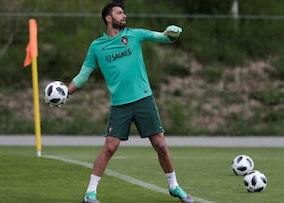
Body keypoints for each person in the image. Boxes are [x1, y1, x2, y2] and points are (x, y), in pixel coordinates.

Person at [67, 2, 194, 203]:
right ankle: (90, 193)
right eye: (119, 12)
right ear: (108, 18)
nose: (123, 15)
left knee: (160, 144)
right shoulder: (97, 46)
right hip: (120, 105)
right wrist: (66, 92)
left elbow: (161, 36)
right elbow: (83, 75)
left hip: (143, 99)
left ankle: (174, 186)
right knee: (110, 147)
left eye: (124, 12)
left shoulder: (134, 34)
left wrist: (172, 34)